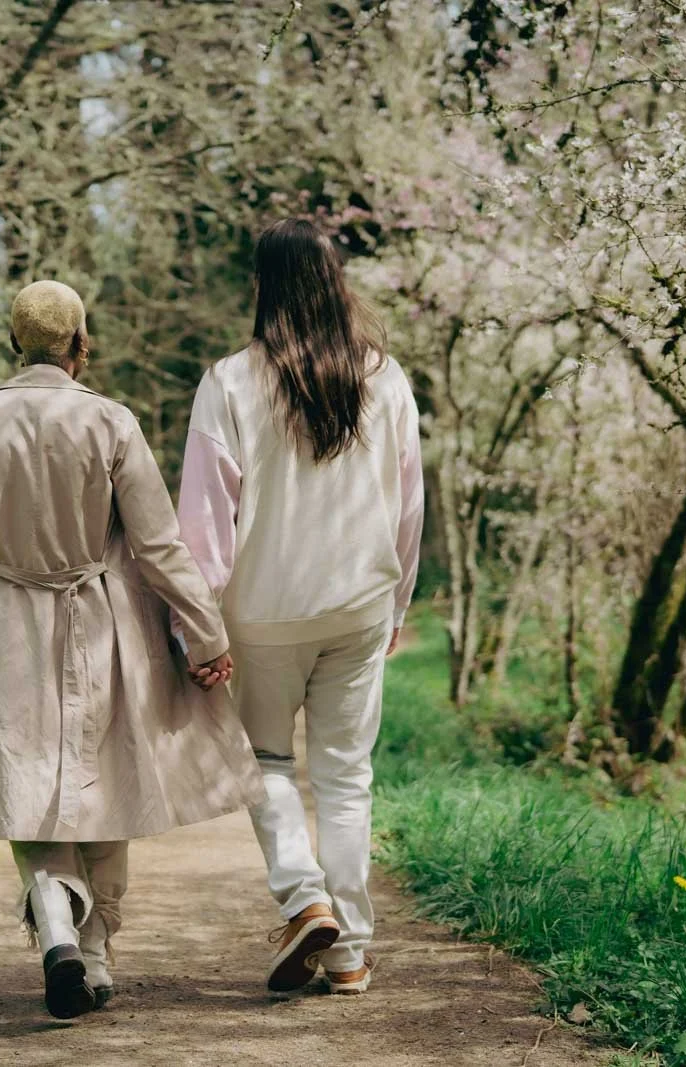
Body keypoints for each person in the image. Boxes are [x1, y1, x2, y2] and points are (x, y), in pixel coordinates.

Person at [0, 280, 263, 1020]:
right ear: (81, 344)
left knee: (27, 778)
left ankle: (54, 919)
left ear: (14, 343)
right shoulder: (111, 421)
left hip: (8, 627)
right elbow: (159, 544)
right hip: (105, 625)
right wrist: (206, 635)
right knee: (105, 780)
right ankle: (97, 952)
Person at [176, 218, 424, 997]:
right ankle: (348, 949)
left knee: (267, 764)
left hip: (264, 611)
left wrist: (198, 628)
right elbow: (407, 509)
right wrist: (396, 606)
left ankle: (301, 893)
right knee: (347, 778)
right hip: (358, 604)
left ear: (263, 287)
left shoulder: (230, 383)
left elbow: (205, 524)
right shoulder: (387, 380)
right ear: (336, 282)